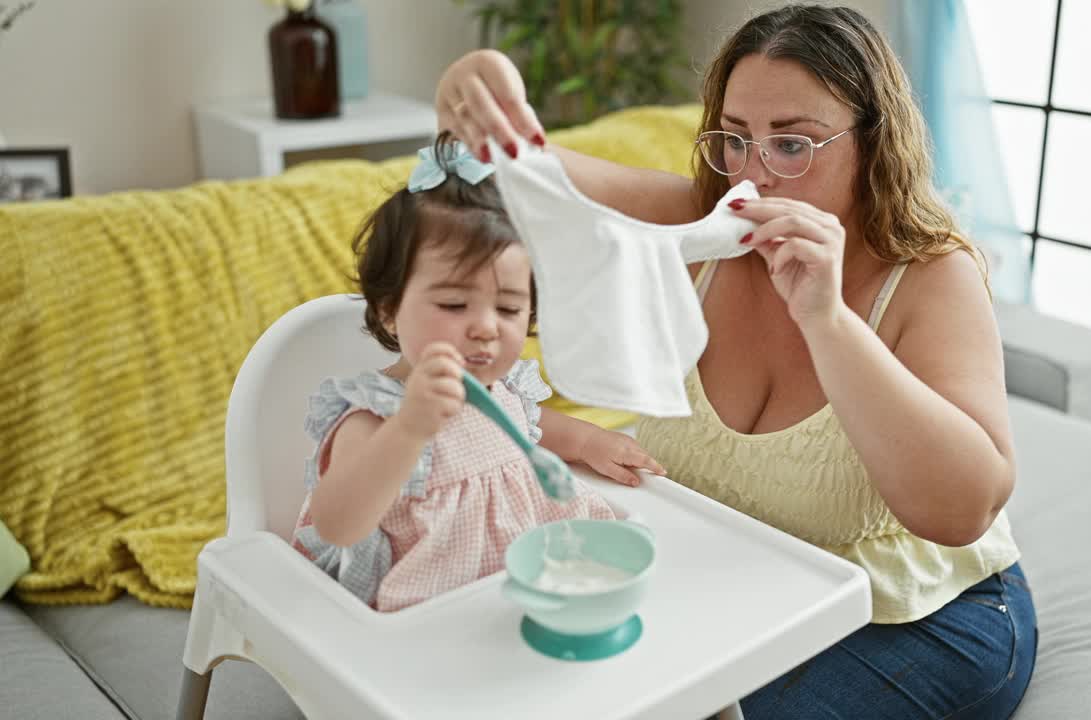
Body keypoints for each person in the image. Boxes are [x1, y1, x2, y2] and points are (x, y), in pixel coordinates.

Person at [436, 4, 1036, 718]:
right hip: (751, 594)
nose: (756, 176)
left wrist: (828, 320)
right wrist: (475, 92)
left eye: (794, 144)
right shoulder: (697, 229)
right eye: (737, 140)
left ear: (874, 142)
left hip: (916, 616)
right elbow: (511, 171)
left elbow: (962, 508)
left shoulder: (933, 276)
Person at [291, 134, 665, 612]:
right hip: (434, 610)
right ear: (388, 310)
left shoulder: (500, 390)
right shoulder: (374, 416)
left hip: (527, 582)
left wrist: (589, 442)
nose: (486, 328)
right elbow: (336, 523)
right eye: (453, 303)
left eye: (508, 308)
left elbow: (527, 430)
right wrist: (409, 430)